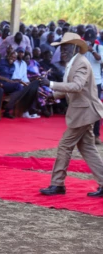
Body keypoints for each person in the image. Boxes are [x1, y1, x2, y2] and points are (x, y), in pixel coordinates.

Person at [39, 33, 103, 197]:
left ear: (75, 47)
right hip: (84, 112)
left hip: (84, 112)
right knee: (88, 148)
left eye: (66, 47)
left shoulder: (80, 63)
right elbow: (71, 87)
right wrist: (53, 95)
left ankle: (58, 184)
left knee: (65, 146)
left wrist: (51, 84)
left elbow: (77, 86)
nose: (62, 51)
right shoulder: (74, 63)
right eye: (61, 48)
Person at [83, 29, 103, 144]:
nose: (89, 41)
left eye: (91, 38)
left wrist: (92, 51)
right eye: (87, 38)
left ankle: (96, 135)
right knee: (84, 108)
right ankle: (84, 135)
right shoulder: (81, 49)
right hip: (83, 82)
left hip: (96, 82)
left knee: (96, 109)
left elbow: (100, 60)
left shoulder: (99, 48)